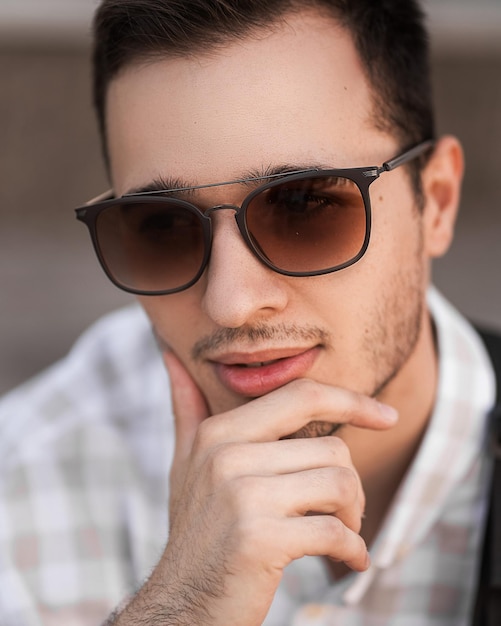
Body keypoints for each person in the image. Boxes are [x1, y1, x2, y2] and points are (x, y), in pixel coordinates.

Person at [0, 0, 497, 624]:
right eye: (162, 226)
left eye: (304, 206)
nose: (231, 302)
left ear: (439, 202)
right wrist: (182, 610)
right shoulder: (21, 484)